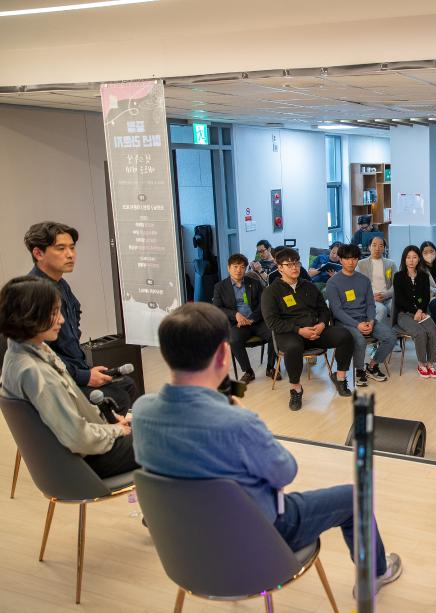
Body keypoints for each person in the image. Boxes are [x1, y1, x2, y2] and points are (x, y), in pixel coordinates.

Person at [131, 303, 403, 592]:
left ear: (165, 354)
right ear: (223, 354)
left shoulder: (142, 411)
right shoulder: (237, 423)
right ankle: (376, 573)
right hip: (255, 540)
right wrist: (243, 414)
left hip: (185, 548)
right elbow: (285, 472)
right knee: (353, 498)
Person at [0, 276, 138, 478]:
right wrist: (115, 431)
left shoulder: (18, 353)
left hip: (67, 457)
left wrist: (105, 419)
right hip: (87, 462)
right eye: (54, 313)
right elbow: (78, 438)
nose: (62, 320)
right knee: (167, 439)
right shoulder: (37, 373)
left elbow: (72, 412)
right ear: (31, 316)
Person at [24, 221, 139, 411]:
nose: (70, 254)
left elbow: (73, 321)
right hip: (56, 382)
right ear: (38, 253)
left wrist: (86, 371)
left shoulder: (60, 284)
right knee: (118, 396)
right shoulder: (35, 293)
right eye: (61, 248)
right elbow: (42, 355)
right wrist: (84, 376)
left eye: (72, 247)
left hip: (73, 369)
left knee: (126, 384)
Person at [262, 248, 354, 408]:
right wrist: (299, 330)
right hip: (290, 333)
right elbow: (272, 321)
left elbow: (324, 310)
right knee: (293, 347)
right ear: (280, 268)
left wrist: (322, 324)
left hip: (315, 330)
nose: (294, 267)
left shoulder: (309, 286)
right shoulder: (271, 292)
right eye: (289, 264)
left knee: (345, 335)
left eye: (297, 263)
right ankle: (296, 389)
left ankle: (340, 378)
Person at [326, 244, 395, 388]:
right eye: (347, 259)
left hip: (366, 319)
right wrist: (357, 325)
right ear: (340, 260)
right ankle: (359, 370)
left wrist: (371, 320)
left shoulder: (364, 280)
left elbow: (370, 304)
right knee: (360, 341)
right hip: (344, 322)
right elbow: (337, 311)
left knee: (390, 337)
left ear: (358, 259)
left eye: (354, 258)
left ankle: (372, 366)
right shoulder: (333, 282)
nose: (351, 262)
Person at [212, 253, 278, 383]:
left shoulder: (254, 283)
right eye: (235, 266)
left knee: (274, 333)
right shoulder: (220, 287)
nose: (239, 270)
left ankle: (270, 367)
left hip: (256, 321)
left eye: (242, 267)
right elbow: (217, 308)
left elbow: (263, 304)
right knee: (233, 339)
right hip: (238, 324)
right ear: (228, 268)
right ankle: (248, 371)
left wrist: (252, 318)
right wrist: (235, 315)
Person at [392, 245, 436, 379]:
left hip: (422, 312)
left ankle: (430, 364)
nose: (411, 260)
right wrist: (415, 311)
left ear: (419, 259)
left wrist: (420, 310)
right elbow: (400, 300)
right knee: (420, 333)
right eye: (408, 257)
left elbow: (425, 297)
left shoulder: (424, 276)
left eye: (414, 257)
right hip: (404, 314)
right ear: (404, 259)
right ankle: (421, 364)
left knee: (433, 331)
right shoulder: (398, 276)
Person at [355, 236, 396, 322]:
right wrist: (371, 297)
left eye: (381, 246)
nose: (377, 248)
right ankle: (374, 329)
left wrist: (386, 295)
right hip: (371, 298)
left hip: (388, 297)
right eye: (374, 245)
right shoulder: (361, 264)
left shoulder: (391, 264)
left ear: (384, 248)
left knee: (397, 307)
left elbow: (396, 284)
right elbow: (356, 286)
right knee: (382, 310)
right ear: (369, 247)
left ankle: (396, 329)